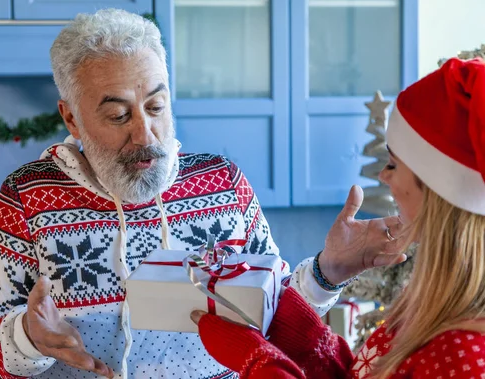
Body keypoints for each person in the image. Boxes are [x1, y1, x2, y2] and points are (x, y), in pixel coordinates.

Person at [0, 9, 402, 379]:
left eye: (155, 107)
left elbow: (275, 311)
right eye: (117, 115)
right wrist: (25, 339)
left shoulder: (223, 185)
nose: (145, 134)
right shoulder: (29, 196)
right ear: (71, 119)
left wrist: (328, 272)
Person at [191, 57, 485, 378]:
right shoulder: (434, 308)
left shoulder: (462, 356)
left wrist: (260, 362)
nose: (384, 178)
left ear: (436, 189)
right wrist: (318, 291)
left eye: (393, 164)